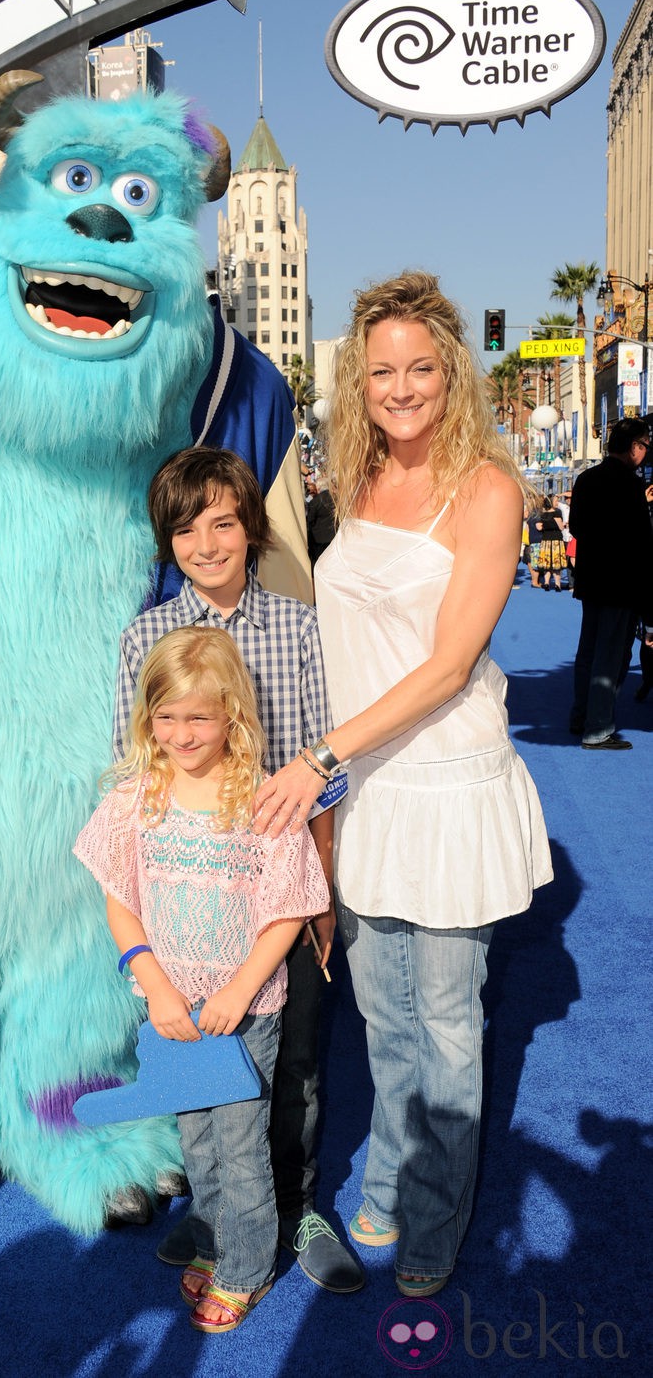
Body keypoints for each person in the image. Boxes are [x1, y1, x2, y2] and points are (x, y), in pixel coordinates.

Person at [250, 271, 553, 1298]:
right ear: (358, 380)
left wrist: (317, 759)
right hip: (363, 787)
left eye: (419, 366)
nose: (399, 385)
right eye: (380, 369)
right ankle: (383, 1170)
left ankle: (433, 1215)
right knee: (377, 1010)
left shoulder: (488, 488)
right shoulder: (353, 475)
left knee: (447, 1016)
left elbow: (444, 665)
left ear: (450, 372)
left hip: (444, 784)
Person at [114, 447, 364, 1294]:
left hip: (276, 901)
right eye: (186, 528)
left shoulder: (298, 626)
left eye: (223, 522)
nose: (207, 543)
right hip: (185, 903)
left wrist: (321, 889)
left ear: (251, 528)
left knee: (289, 1062)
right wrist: (141, 930)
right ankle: (220, 1211)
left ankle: (296, 1208)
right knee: (197, 1061)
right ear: (168, 541)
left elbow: (325, 766)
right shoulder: (145, 636)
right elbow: (133, 774)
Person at [76, 627, 331, 1333]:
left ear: (232, 718)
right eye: (167, 717)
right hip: (173, 1009)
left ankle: (247, 1270)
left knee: (241, 1143)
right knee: (197, 1138)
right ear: (147, 718)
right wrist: (155, 983)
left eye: (199, 717)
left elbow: (289, 911)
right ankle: (217, 1242)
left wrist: (239, 990)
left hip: (243, 1011)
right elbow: (118, 898)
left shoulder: (265, 801)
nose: (182, 734)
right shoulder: (137, 797)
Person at [568, 420, 653, 749]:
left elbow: (576, 527)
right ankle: (598, 727)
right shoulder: (629, 485)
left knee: (588, 652)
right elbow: (641, 541)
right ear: (634, 446)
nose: (645, 452)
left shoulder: (587, 479)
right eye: (644, 445)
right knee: (611, 656)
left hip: (593, 579)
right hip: (621, 582)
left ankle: (581, 715)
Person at [532, 494, 567, 592]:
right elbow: (560, 527)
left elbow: (539, 527)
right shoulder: (557, 513)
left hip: (546, 541)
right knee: (556, 564)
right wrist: (563, 525)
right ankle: (557, 584)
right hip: (556, 541)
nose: (557, 503)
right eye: (556, 500)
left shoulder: (543, 514)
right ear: (551, 502)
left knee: (547, 563)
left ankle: (546, 583)